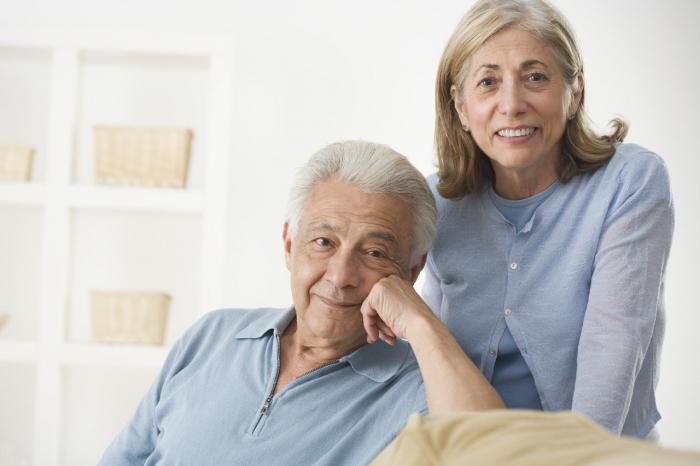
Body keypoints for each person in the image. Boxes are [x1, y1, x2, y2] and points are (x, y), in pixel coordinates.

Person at [98, 141, 504, 466]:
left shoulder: (422, 390)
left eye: (375, 253)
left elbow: (493, 457)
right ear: (290, 244)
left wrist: (421, 322)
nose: (340, 275)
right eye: (323, 242)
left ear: (412, 271)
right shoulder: (211, 336)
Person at [423, 0, 674, 440]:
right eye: (488, 82)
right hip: (471, 450)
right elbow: (428, 353)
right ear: (460, 106)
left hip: (597, 452)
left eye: (535, 77)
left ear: (574, 91)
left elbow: (613, 346)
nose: (512, 104)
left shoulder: (630, 181)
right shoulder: (440, 202)